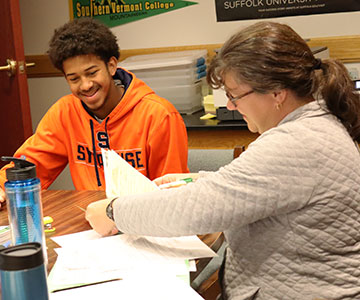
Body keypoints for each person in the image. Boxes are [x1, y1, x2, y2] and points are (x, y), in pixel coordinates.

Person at [85, 21, 360, 300]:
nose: (230, 105)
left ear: (277, 92)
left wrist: (113, 212)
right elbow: (262, 187)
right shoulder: (316, 125)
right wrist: (201, 181)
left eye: (234, 95)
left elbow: (193, 210)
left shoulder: (294, 144)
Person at [0, 17, 189, 211]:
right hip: (91, 227)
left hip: (147, 225)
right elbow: (30, 164)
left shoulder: (159, 115)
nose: (85, 85)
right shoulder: (64, 113)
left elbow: (172, 195)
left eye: (92, 73)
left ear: (112, 66)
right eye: (74, 79)